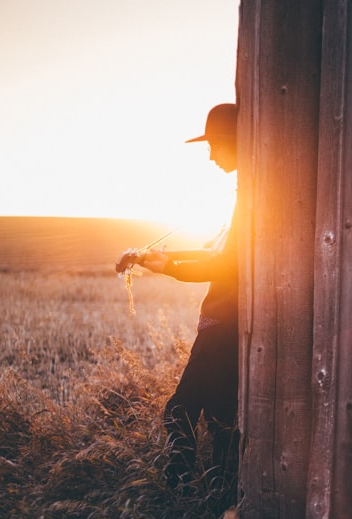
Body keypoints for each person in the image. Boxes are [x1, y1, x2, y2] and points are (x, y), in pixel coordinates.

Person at [116, 103, 240, 494]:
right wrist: (157, 260)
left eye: (216, 145)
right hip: (227, 326)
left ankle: (179, 491)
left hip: (224, 327)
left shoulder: (253, 201)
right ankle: (220, 499)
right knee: (220, 418)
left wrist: (165, 264)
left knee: (180, 411)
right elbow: (215, 257)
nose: (211, 155)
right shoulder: (246, 198)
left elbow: (221, 266)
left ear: (237, 142)